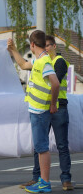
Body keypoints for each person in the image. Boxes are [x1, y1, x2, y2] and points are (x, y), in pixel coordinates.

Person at [8, 35, 74, 191]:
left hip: (57, 107)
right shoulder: (41, 62)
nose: (46, 48)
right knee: (40, 146)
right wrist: (14, 50)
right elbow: (24, 64)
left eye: (49, 46)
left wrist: (52, 104)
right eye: (45, 46)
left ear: (53, 47)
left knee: (59, 145)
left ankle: (64, 179)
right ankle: (38, 178)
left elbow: (54, 83)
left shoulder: (55, 62)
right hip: (43, 107)